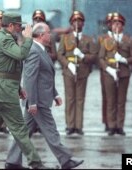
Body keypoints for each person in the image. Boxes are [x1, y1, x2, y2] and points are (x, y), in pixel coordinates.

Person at [0, 13, 48, 169]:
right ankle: (36, 163)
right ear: (10, 25)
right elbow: (21, 55)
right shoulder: (4, 38)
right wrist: (28, 38)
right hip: (4, 92)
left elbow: (7, 67)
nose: (21, 28)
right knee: (19, 128)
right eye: (18, 25)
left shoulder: (3, 38)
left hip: (1, 90)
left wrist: (18, 88)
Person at [6, 22, 84, 169]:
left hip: (39, 99)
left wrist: (55, 94)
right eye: (48, 33)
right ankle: (66, 160)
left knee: (23, 132)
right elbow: (29, 78)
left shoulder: (40, 50)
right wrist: (32, 102)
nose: (51, 35)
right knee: (51, 131)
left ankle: (12, 161)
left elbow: (45, 77)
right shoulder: (34, 51)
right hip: (38, 102)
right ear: (41, 35)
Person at [57, 10, 97, 135]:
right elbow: (60, 54)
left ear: (83, 24)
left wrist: (82, 56)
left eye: (79, 21)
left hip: (82, 72)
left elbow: (94, 56)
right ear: (71, 23)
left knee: (80, 99)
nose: (77, 23)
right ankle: (70, 125)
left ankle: (78, 126)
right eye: (74, 21)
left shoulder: (88, 39)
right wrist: (68, 64)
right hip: (69, 71)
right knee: (70, 99)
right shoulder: (65, 38)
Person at [99, 12, 132, 136]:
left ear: (123, 26)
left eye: (119, 23)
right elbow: (101, 58)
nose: (116, 26)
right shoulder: (106, 41)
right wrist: (107, 68)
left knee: (121, 101)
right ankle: (111, 126)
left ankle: (120, 126)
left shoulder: (128, 40)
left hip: (123, 73)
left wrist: (124, 60)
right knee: (110, 100)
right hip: (110, 73)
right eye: (114, 23)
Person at [97, 12, 114, 132]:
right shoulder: (102, 39)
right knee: (107, 97)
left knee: (118, 99)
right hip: (105, 71)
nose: (111, 24)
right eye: (109, 22)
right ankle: (107, 121)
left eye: (113, 22)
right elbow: (98, 56)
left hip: (118, 70)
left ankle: (116, 122)